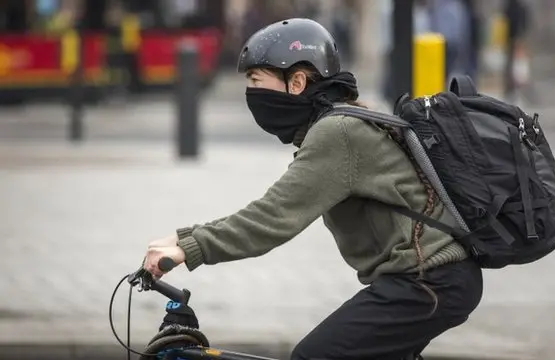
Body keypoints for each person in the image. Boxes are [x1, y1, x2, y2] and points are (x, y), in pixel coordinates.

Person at [143, 18, 483, 360]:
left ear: (297, 82)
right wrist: (184, 236)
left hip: (430, 281)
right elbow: (274, 209)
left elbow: (273, 218)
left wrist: (190, 247)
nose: (252, 94)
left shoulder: (338, 132)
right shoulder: (342, 121)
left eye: (256, 81)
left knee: (313, 356)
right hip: (430, 280)